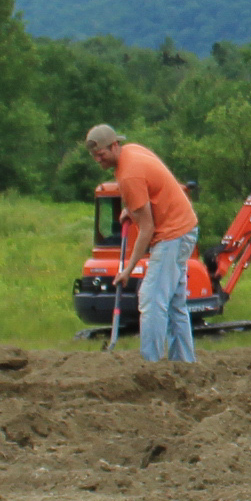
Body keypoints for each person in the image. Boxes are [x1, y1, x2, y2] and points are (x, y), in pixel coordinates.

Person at [82, 123, 199, 364]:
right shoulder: (134, 151)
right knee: (175, 303)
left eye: (101, 154)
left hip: (172, 235)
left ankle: (150, 365)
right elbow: (154, 185)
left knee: (151, 299)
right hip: (185, 228)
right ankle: (185, 364)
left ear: (115, 146)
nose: (98, 160)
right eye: (94, 156)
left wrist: (127, 269)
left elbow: (147, 229)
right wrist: (130, 208)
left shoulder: (129, 174)